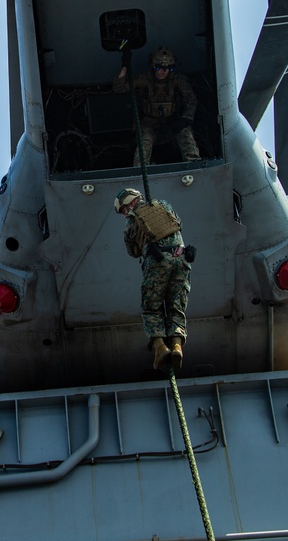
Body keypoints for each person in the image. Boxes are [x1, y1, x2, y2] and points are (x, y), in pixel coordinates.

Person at [114, 187, 191, 372]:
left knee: (152, 307)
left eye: (124, 210)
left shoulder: (130, 225)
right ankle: (177, 346)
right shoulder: (164, 205)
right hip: (181, 260)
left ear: (131, 202)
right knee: (176, 305)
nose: (125, 215)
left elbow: (133, 252)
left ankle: (160, 348)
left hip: (157, 263)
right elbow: (177, 223)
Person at [113, 46, 200, 165]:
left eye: (169, 68)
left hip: (172, 123)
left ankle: (194, 165)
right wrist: (124, 67)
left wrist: (185, 119)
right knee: (143, 145)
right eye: (159, 67)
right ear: (153, 66)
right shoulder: (145, 79)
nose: (163, 71)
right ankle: (140, 172)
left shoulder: (178, 81)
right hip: (149, 124)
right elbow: (119, 88)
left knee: (186, 136)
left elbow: (191, 99)